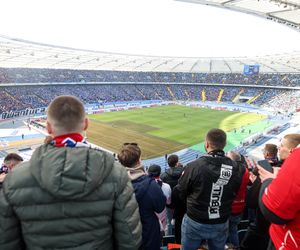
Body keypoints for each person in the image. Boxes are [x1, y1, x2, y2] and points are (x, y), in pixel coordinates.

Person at [0, 96, 142, 250]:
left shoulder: (14, 179)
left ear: (48, 127)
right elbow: (130, 240)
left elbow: (6, 242)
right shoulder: (116, 174)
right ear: (86, 124)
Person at [178, 128, 242, 250]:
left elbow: (181, 191)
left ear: (206, 144)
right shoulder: (236, 167)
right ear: (224, 145)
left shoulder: (194, 166)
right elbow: (234, 191)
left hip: (196, 220)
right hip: (221, 220)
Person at [118, 143, 166, 250]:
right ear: (139, 160)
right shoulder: (150, 185)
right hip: (147, 235)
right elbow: (160, 207)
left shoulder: (112, 183)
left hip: (123, 235)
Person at [259, 147, 300, 250]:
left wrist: (268, 180)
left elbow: (273, 211)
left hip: (287, 243)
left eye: (281, 145)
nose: (279, 148)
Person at [226, 151, 250, 248]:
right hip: (240, 206)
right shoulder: (246, 171)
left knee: (222, 232)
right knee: (233, 230)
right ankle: (235, 247)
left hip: (229, 207)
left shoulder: (230, 171)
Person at [161, 154, 183, 235]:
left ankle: (169, 241)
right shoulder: (184, 173)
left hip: (169, 203)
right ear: (177, 163)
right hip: (182, 202)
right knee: (181, 220)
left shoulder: (163, 175)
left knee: (168, 222)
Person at [148, 164, 172, 236]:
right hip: (162, 217)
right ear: (160, 173)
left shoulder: (144, 186)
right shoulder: (167, 186)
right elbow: (168, 202)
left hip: (149, 219)